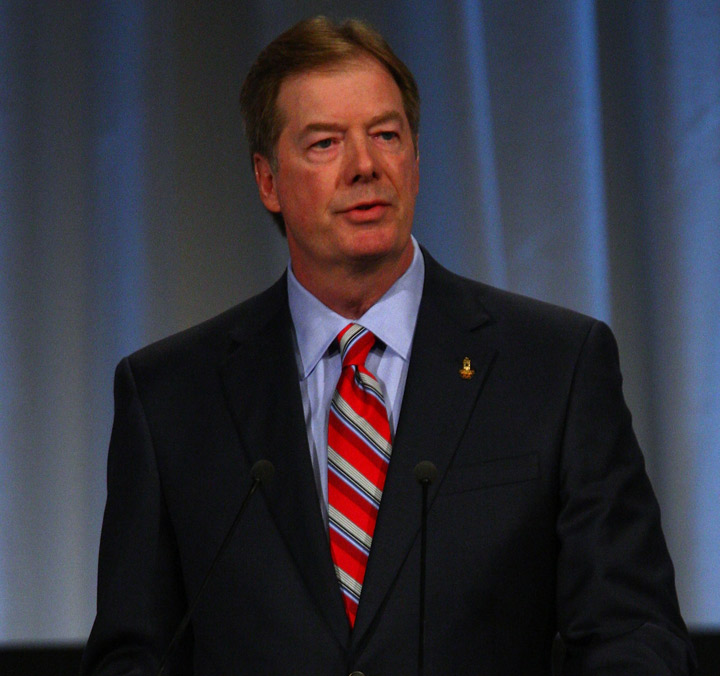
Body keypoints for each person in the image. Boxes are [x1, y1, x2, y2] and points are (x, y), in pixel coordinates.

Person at [81, 16, 697, 675]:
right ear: (267, 180)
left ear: (416, 160)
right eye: (325, 144)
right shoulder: (172, 396)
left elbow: (634, 635)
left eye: (385, 135)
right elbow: (132, 655)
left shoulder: (554, 366)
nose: (365, 166)